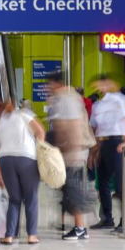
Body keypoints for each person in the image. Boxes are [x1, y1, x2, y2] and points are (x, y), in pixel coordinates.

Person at [47, 72, 96, 241]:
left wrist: (71, 151)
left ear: (57, 83)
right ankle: (78, 226)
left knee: (75, 189)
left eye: (50, 85)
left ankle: (80, 228)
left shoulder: (68, 99)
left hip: (73, 152)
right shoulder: (63, 99)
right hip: (68, 151)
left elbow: (74, 126)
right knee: (69, 189)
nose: (48, 89)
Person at [0, 100, 45, 245]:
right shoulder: (24, 114)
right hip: (26, 159)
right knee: (31, 197)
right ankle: (31, 235)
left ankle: (9, 236)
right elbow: (40, 132)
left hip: (6, 161)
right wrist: (40, 150)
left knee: (14, 199)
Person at [88, 74, 125, 230]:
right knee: (103, 183)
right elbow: (95, 127)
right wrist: (94, 150)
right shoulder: (97, 105)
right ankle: (107, 218)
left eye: (104, 84)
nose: (101, 88)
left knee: (121, 185)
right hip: (103, 144)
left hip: (117, 142)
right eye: (98, 85)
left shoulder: (120, 100)